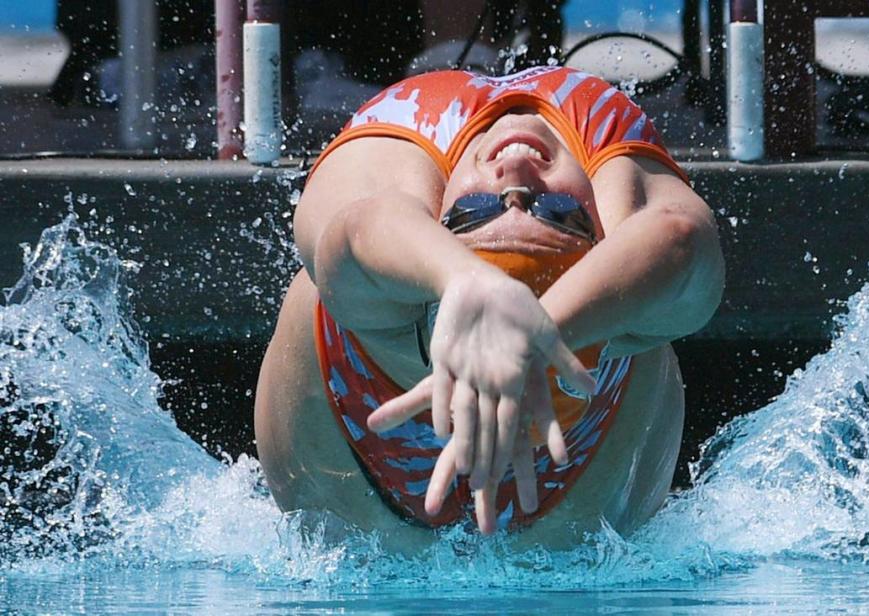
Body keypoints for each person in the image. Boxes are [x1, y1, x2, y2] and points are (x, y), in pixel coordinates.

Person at [254, 66, 724, 547]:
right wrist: (475, 287)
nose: (517, 172)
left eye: (479, 208)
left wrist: (529, 330)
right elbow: (681, 238)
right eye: (559, 212)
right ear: (599, 232)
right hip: (392, 382)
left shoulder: (388, 302)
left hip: (543, 419)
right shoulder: (605, 153)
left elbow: (358, 232)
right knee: (646, 299)